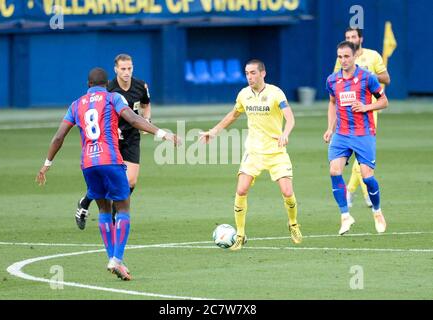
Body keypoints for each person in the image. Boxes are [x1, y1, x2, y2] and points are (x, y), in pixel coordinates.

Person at [36, 67, 179, 280]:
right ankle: (117, 258)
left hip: (88, 164)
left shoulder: (75, 105)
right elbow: (132, 119)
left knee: (104, 208)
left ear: (88, 84)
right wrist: (161, 132)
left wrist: (47, 163)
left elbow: (59, 137)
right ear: (106, 83)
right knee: (122, 208)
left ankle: (114, 258)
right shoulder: (113, 98)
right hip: (110, 159)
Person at [200, 59, 302, 251]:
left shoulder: (275, 93)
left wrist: (285, 134)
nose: (250, 77)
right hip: (254, 151)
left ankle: (293, 223)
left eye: (253, 73)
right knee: (241, 190)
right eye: (247, 73)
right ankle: (239, 234)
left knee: (287, 192)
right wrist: (214, 131)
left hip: (276, 151)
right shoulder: (244, 95)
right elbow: (233, 115)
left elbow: (289, 117)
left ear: (263, 73)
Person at [75, 54, 152, 230]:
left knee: (131, 181)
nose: (127, 72)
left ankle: (115, 211)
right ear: (116, 69)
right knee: (107, 179)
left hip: (131, 137)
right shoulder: (108, 89)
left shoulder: (141, 86)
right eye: (123, 69)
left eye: (130, 68)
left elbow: (146, 105)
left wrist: (147, 120)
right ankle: (85, 203)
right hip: (111, 139)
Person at [324, 41, 388, 235]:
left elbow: (384, 101)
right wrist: (330, 128)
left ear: (354, 57)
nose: (343, 60)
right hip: (342, 134)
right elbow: (333, 104)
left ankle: (377, 211)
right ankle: (345, 216)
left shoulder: (368, 78)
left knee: (367, 177)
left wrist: (366, 107)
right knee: (334, 171)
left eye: (346, 56)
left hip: (363, 133)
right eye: (340, 57)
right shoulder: (332, 80)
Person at [333, 27, 391, 209]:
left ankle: (355, 191)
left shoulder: (372, 56)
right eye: (347, 37)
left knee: (362, 157)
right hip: (347, 114)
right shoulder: (343, 57)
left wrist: (367, 76)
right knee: (356, 158)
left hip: (368, 110)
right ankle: (356, 192)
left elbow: (386, 78)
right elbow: (336, 83)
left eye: (353, 36)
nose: (350, 39)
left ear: (361, 39)